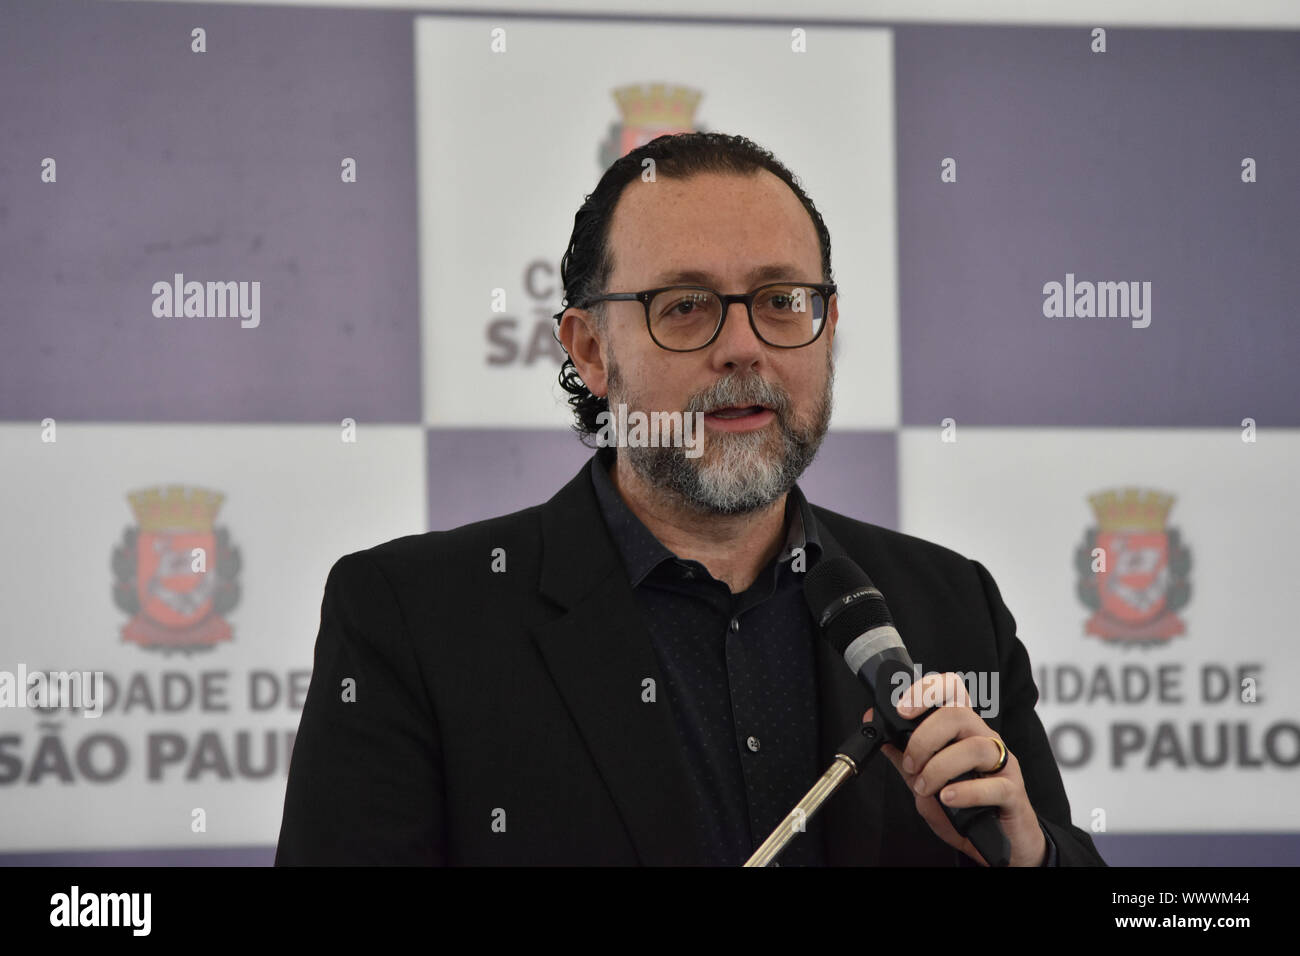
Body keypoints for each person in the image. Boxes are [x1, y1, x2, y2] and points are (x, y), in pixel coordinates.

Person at [275, 132, 1106, 867]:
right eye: (686, 307)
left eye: (783, 301)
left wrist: (1029, 859)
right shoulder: (413, 618)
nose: (743, 346)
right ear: (591, 350)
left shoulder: (952, 605)